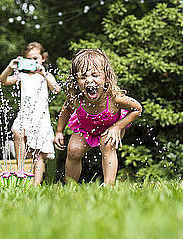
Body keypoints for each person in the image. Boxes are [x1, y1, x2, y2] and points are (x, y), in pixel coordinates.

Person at [54, 48, 142, 186]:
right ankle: (69, 186)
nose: (89, 80)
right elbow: (65, 110)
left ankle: (108, 186)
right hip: (86, 128)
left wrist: (117, 127)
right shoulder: (76, 98)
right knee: (73, 150)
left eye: (95, 75)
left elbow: (137, 109)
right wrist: (59, 131)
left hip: (110, 128)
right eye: (83, 77)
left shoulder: (114, 98)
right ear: (76, 80)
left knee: (107, 144)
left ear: (106, 77)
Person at [0, 42, 61, 185]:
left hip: (40, 118)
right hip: (25, 115)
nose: (33, 62)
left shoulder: (46, 76)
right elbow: (3, 81)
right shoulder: (22, 76)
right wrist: (10, 67)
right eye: (29, 60)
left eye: (36, 59)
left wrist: (43, 73)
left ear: (43, 58)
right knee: (17, 131)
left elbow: (56, 89)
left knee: (38, 155)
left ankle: (35, 185)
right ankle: (20, 170)